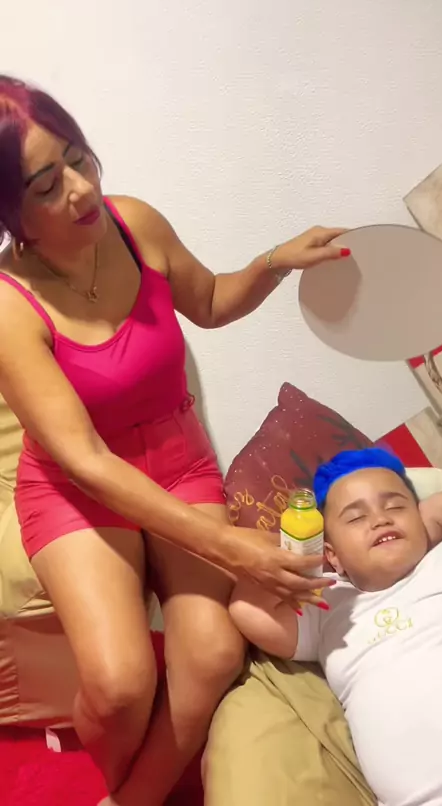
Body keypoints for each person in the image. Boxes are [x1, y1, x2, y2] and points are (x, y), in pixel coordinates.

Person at [0, 74, 349, 806]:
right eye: (46, 184)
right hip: (76, 488)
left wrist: (275, 263)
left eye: (78, 158)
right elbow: (85, 461)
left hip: (178, 462)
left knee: (214, 650)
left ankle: (130, 800)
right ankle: (119, 780)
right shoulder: (8, 303)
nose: (81, 189)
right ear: (9, 209)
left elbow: (212, 301)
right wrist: (229, 546)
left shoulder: (135, 223)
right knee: (120, 683)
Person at [230, 447, 442, 806]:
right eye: (356, 517)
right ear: (331, 554)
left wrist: (437, 509)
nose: (380, 520)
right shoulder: (327, 603)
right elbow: (246, 609)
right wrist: (300, 554)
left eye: (396, 506)